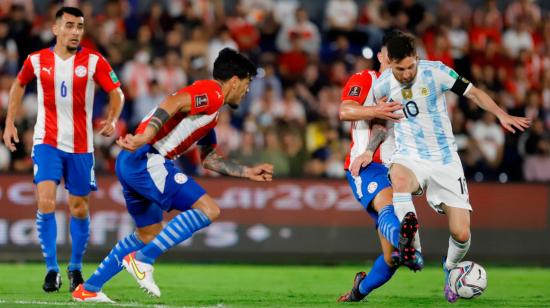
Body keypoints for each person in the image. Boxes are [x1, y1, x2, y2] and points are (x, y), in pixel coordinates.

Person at [71, 48, 274, 303]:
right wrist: (146, 135)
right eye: (247, 83)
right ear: (234, 80)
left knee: (148, 234)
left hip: (132, 162)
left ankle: (88, 289)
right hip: (148, 158)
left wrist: (247, 172)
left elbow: (209, 158)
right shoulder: (211, 93)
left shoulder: (211, 112)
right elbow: (172, 102)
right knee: (209, 210)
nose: (246, 91)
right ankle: (143, 260)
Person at [372, 31, 529, 302]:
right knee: (398, 179)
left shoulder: (437, 73)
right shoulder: (383, 84)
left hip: (445, 160)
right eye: (401, 69)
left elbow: (474, 93)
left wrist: (500, 114)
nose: (407, 73)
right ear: (390, 64)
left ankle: (449, 268)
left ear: (417, 58)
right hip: (410, 156)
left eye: (411, 66)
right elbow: (380, 121)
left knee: (461, 232)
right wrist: (367, 150)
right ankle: (412, 246)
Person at [2, 6, 124, 293]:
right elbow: (18, 85)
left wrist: (113, 117)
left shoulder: (94, 60)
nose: (75, 32)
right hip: (47, 142)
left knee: (78, 207)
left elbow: (116, 91)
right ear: (56, 29)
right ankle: (51, 270)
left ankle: (75, 268)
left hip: (82, 147)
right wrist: (9, 123)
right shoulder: (37, 60)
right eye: (69, 26)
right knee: (46, 201)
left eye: (80, 26)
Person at [337, 32, 422, 303]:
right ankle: (409, 247)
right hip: (367, 166)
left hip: (398, 170)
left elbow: (388, 129)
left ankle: (358, 290)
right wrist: (376, 111)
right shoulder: (365, 79)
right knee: (387, 205)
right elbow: (345, 111)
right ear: (382, 57)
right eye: (391, 55)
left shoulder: (408, 90)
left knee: (391, 259)